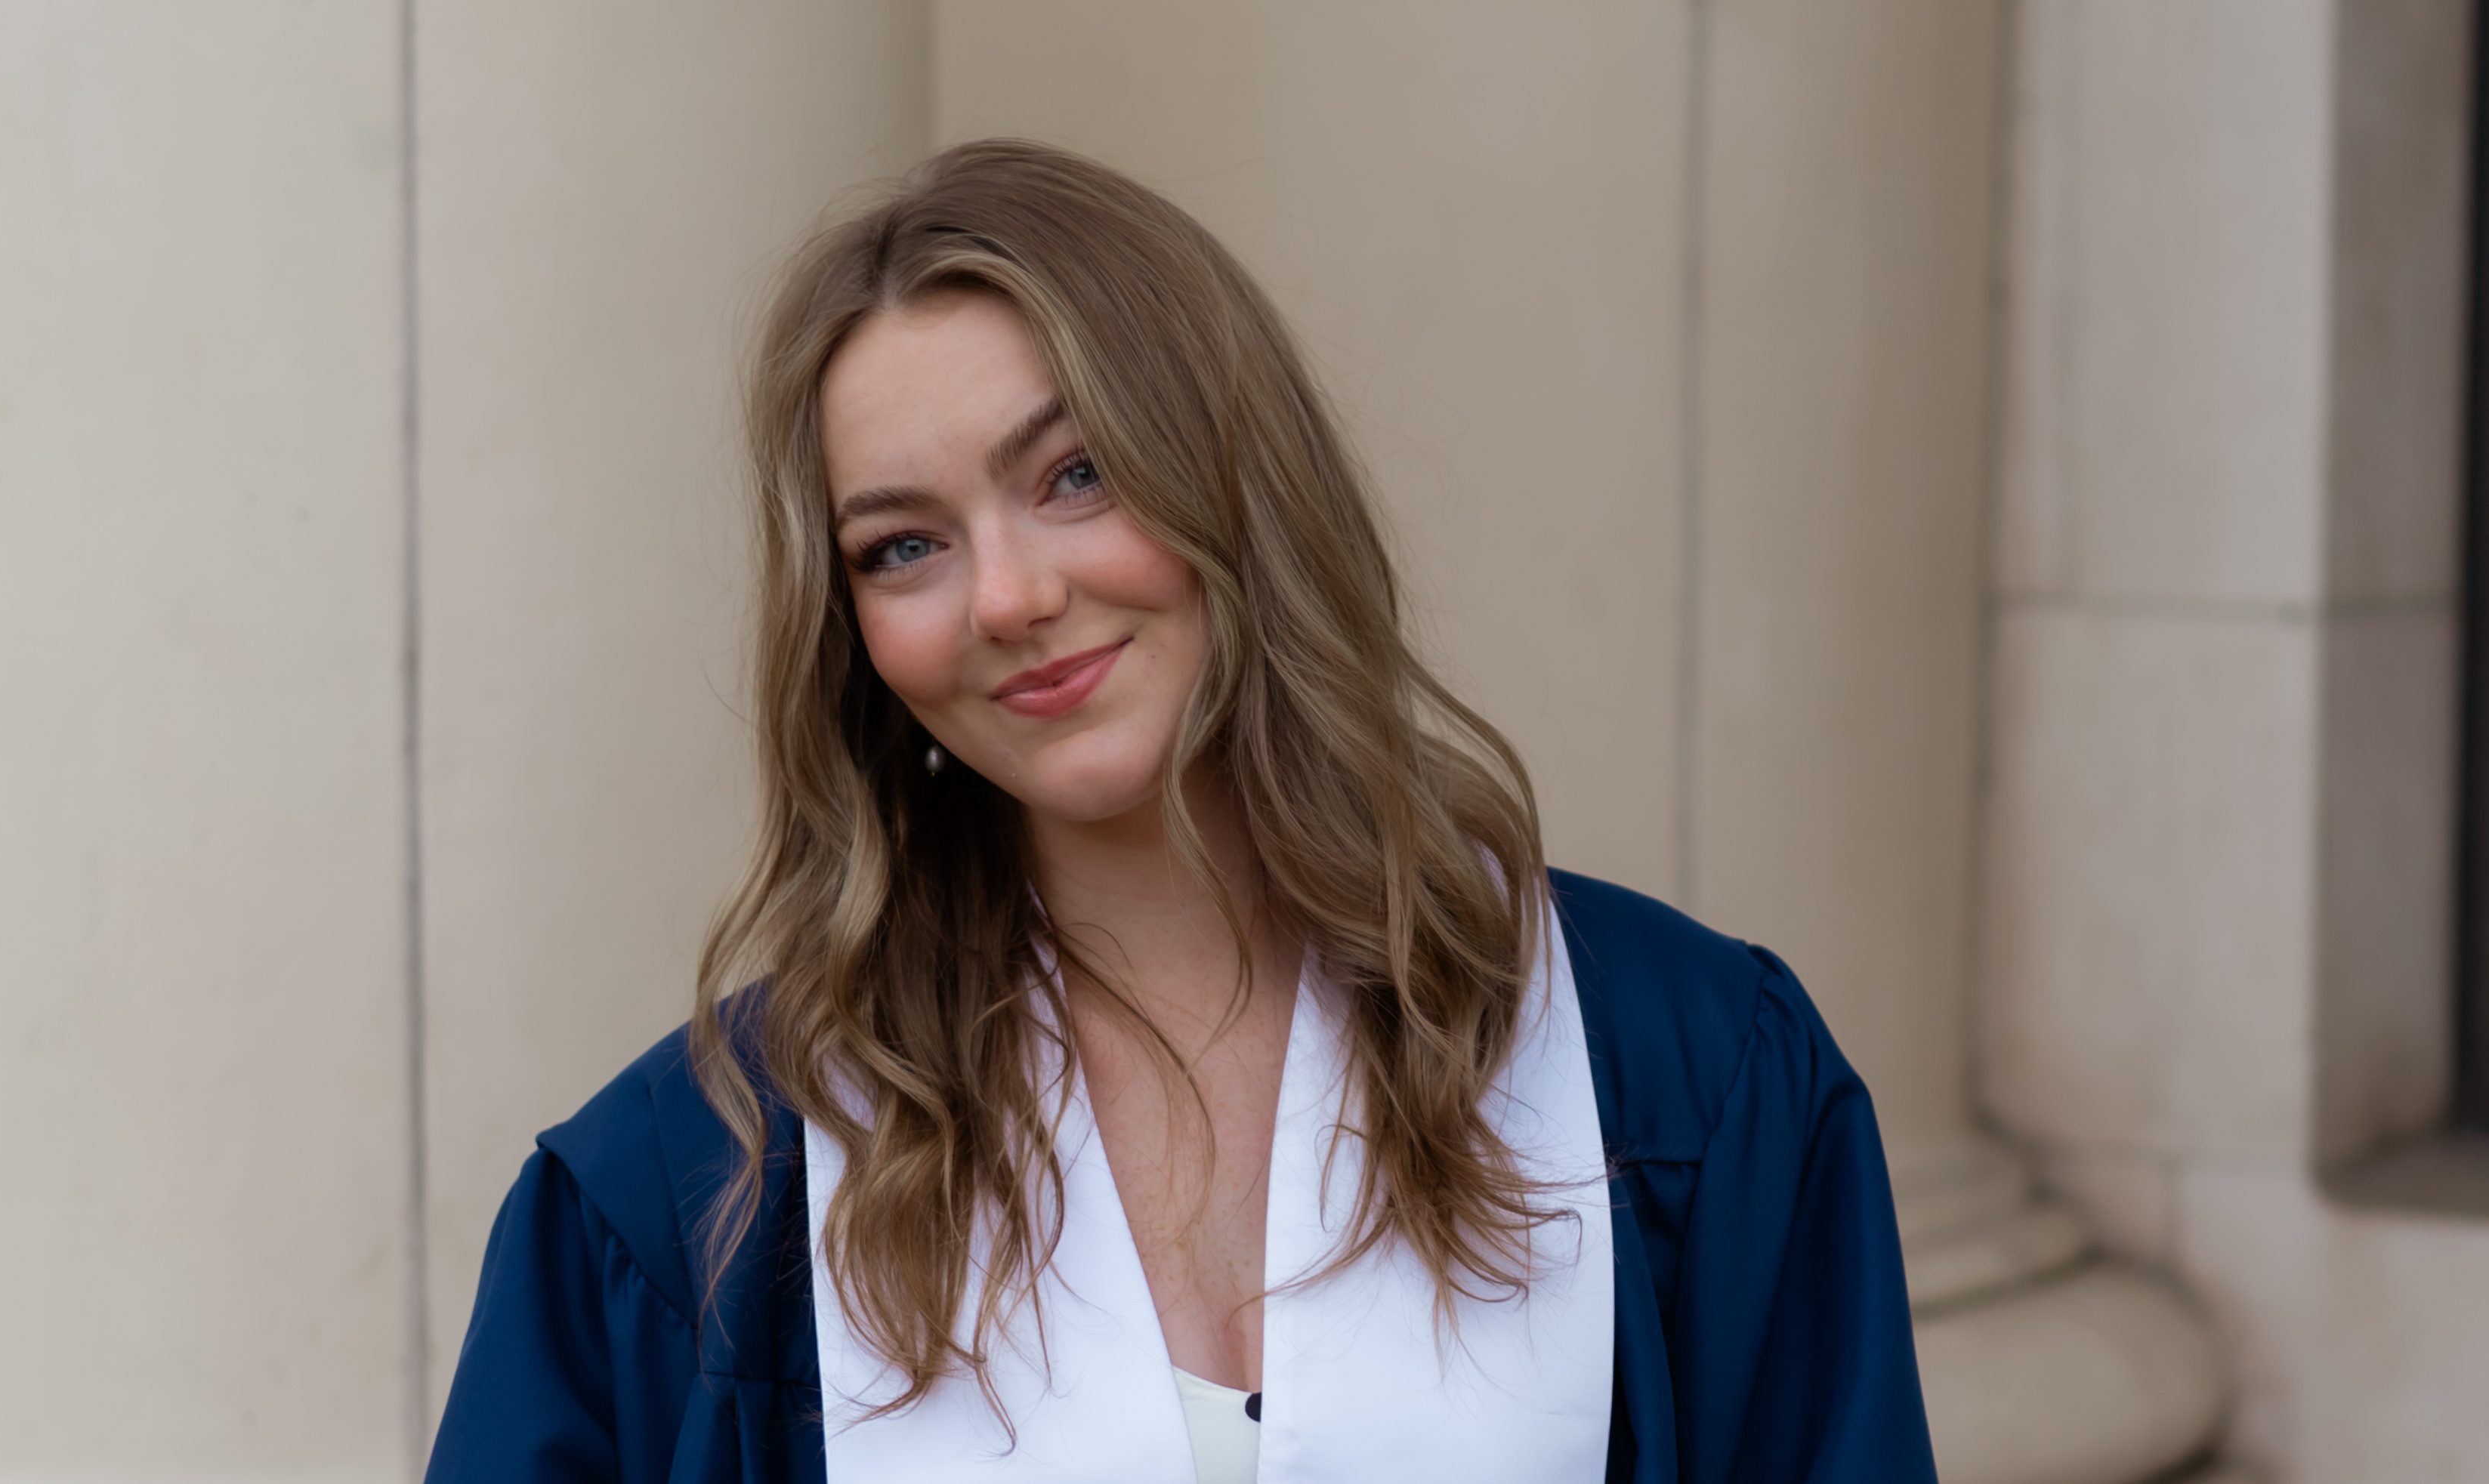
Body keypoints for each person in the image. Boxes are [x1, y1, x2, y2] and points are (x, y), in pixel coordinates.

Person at [425, 138, 1936, 1484]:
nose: (1009, 596)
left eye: (1074, 473)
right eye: (902, 547)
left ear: (1236, 471)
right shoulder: (690, 1190)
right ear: (851, 636)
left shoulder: (1686, 1078)